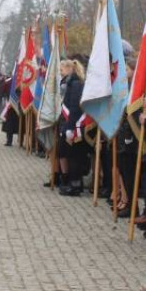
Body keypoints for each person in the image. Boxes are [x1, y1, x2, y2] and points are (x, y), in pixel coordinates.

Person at [57, 58, 87, 196]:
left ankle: (75, 185)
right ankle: (74, 183)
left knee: (74, 156)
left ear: (71, 69)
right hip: (72, 124)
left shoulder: (75, 84)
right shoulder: (73, 82)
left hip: (75, 125)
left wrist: (70, 127)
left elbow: (75, 108)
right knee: (72, 154)